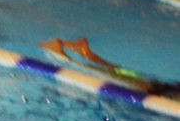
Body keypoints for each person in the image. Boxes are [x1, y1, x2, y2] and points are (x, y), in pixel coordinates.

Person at [41, 38, 180, 99]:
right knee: (114, 76)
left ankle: (86, 53)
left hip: (165, 87)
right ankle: (63, 56)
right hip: (158, 91)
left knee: (120, 72)